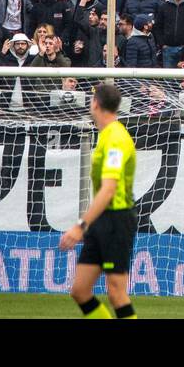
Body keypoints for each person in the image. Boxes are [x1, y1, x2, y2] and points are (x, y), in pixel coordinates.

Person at [59, 81, 138, 319]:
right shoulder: (106, 135)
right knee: (80, 290)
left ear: (95, 103)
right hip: (101, 220)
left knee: (116, 292)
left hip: (117, 219)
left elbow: (109, 190)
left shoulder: (115, 138)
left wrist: (81, 226)